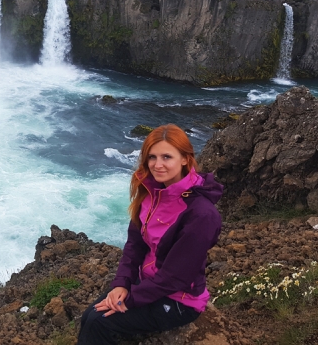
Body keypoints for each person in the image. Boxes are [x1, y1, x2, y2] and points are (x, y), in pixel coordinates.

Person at [77, 125, 223, 345]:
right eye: (152, 157)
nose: (157, 164)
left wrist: (132, 300)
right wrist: (122, 284)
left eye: (167, 156)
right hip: (147, 281)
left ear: (185, 159)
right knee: (89, 317)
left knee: (99, 322)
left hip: (179, 300)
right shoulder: (152, 194)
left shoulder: (201, 214)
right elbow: (135, 245)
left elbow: (176, 277)